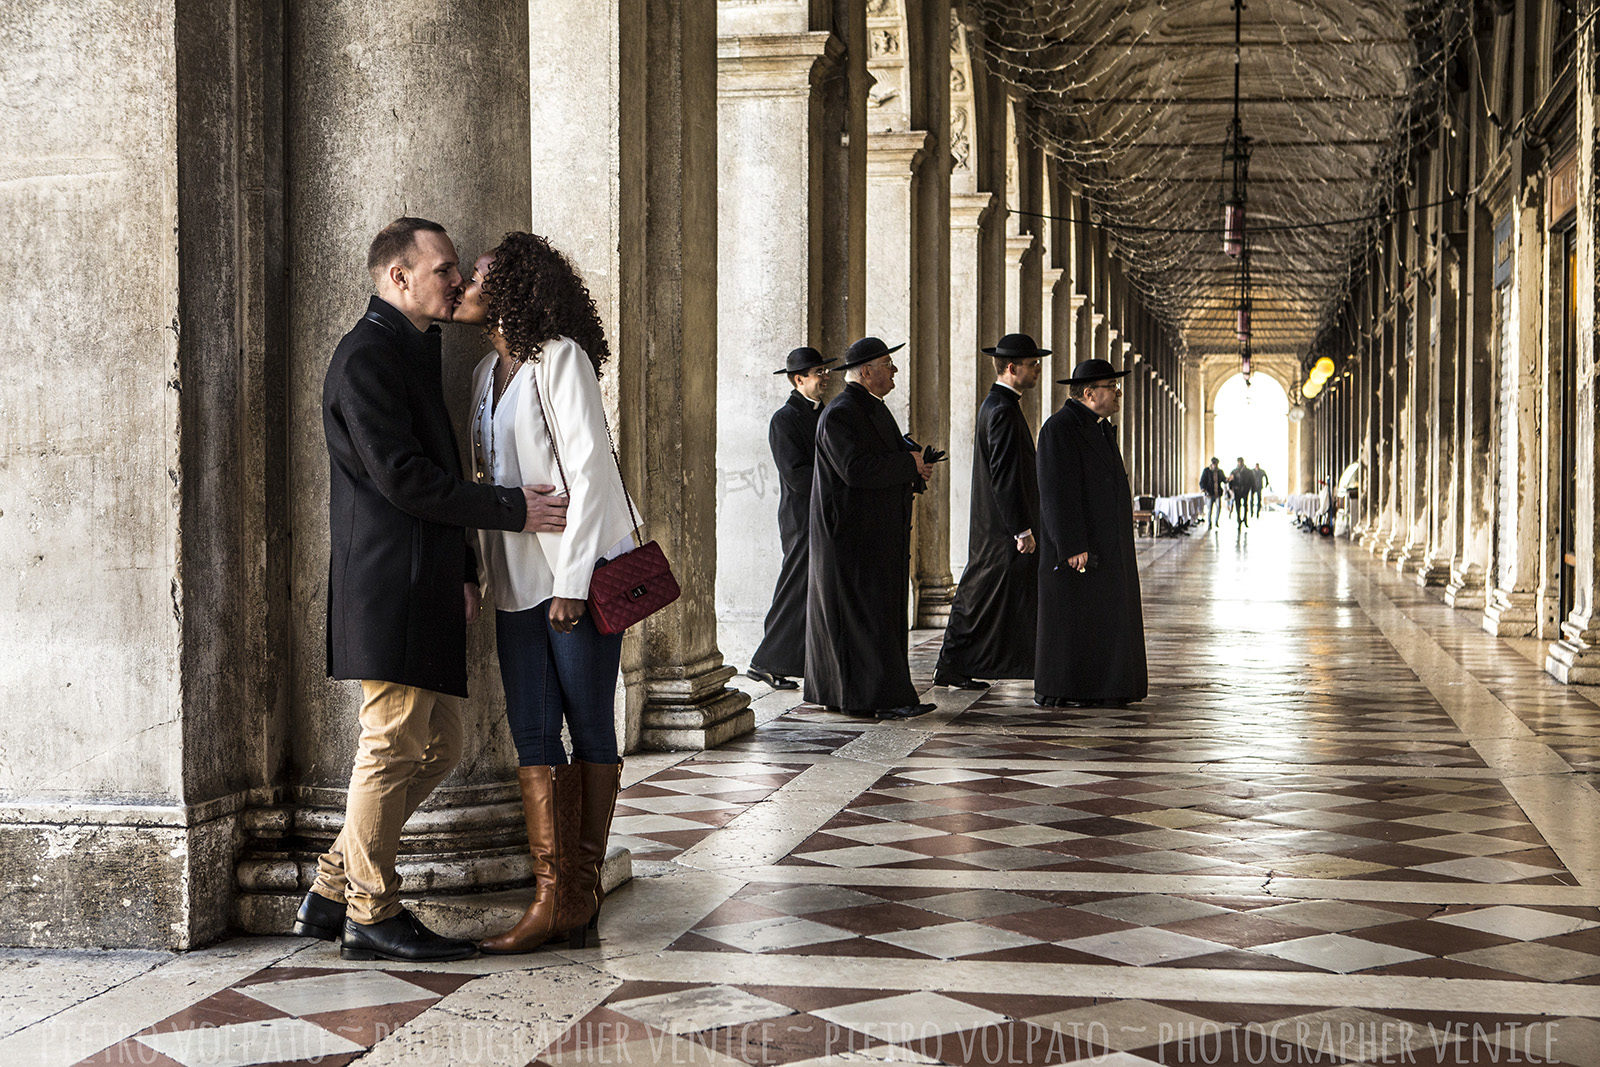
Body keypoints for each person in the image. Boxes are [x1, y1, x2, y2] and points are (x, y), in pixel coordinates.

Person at [300, 217, 569, 963]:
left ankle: (331, 884)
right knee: (389, 745)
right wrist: (514, 507)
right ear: (399, 278)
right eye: (445, 267)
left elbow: (424, 473)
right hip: (388, 585)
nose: (457, 280)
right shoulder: (367, 357)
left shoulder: (409, 351)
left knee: (442, 744)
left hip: (421, 580)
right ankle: (369, 911)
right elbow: (405, 479)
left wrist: (461, 570)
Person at [454, 232, 641, 954]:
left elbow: (591, 470)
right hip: (512, 581)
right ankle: (550, 896)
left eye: (480, 273)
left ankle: (580, 891)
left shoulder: (557, 357)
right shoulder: (482, 376)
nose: (467, 281)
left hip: (574, 577)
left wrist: (573, 583)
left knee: (589, 723)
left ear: (515, 288)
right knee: (533, 731)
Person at [805, 337, 937, 720]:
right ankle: (870, 697)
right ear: (866, 372)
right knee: (859, 619)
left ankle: (879, 694)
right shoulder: (842, 412)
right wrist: (907, 465)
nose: (894, 371)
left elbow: (890, 459)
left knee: (875, 617)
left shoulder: (871, 408)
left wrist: (915, 468)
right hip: (850, 537)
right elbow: (855, 470)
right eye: (887, 364)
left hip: (873, 534)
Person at [1034, 358, 1147, 708]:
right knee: (1074, 620)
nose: (1118, 393)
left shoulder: (1098, 426)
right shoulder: (1060, 428)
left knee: (1103, 617)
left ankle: (1106, 687)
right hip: (1081, 546)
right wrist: (1070, 544)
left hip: (1107, 543)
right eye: (1111, 388)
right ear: (1088, 393)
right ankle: (1068, 688)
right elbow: (1055, 491)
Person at [933, 333, 1043, 688]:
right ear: (1012, 368)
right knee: (979, 592)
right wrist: (1021, 529)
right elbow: (1005, 474)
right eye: (1032, 364)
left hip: (997, 524)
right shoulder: (1001, 410)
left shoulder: (1001, 405)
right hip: (1000, 526)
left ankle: (960, 664)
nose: (1037, 369)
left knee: (985, 595)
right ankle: (951, 662)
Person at [748, 347, 837, 690]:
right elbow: (796, 475)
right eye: (818, 372)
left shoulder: (824, 413)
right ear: (799, 380)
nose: (825, 377)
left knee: (810, 588)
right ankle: (764, 661)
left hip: (824, 511)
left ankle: (795, 660)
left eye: (825, 371)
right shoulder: (784, 419)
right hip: (801, 517)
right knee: (795, 587)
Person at [1229, 457, 1254, 529]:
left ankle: (1245, 519)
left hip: (1245, 490)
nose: (1240, 463)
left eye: (1241, 462)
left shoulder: (1248, 471)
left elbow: (1252, 481)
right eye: (1239, 462)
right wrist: (1231, 489)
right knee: (1238, 506)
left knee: (1245, 506)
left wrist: (1252, 490)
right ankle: (1239, 520)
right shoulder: (1234, 471)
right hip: (1237, 491)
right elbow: (1230, 480)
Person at [1199, 457, 1224, 529]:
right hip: (1209, 493)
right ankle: (1210, 523)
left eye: (1216, 464)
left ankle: (1216, 522)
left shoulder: (1220, 471)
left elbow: (1224, 479)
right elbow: (1202, 481)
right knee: (1210, 509)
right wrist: (1203, 488)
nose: (1215, 466)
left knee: (1219, 507)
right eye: (1214, 464)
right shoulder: (1206, 471)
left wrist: (1228, 479)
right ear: (1212, 464)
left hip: (1217, 493)